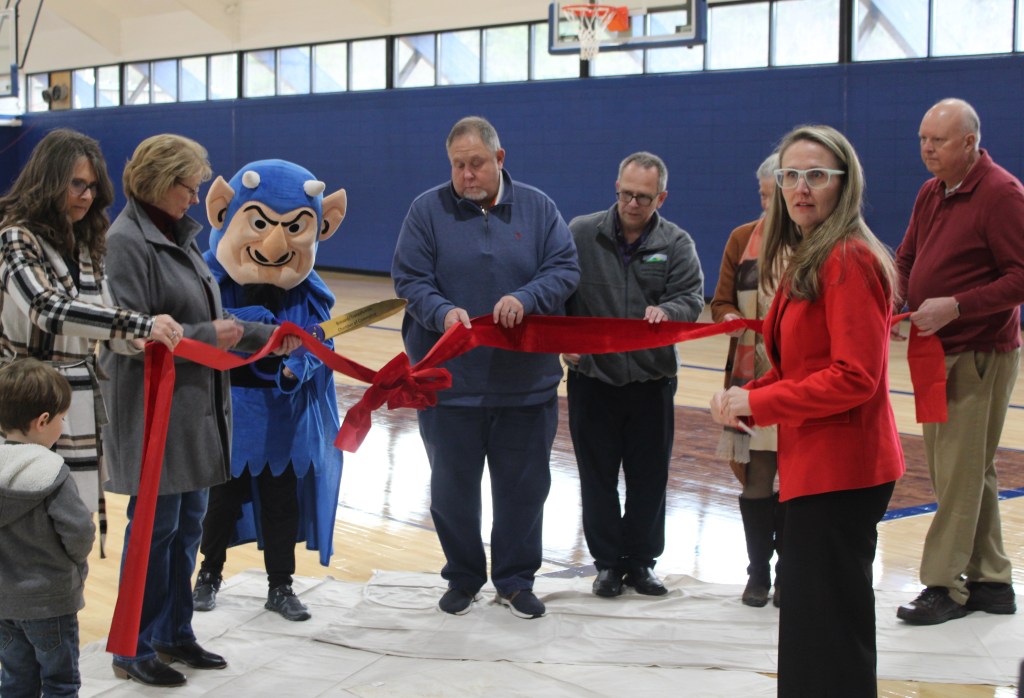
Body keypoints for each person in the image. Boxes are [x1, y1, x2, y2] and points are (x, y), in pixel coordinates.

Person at [711, 124, 904, 696]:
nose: (800, 187)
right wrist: (749, 396)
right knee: (811, 620)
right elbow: (801, 362)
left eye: (816, 175)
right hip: (815, 464)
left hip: (842, 469)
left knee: (829, 626)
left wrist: (760, 400)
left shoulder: (847, 259)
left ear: (844, 184)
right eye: (790, 175)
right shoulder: (811, 252)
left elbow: (855, 377)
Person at [100, 134, 292, 687]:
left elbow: (215, 321)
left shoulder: (178, 236)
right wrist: (212, 334)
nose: (194, 197)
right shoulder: (125, 243)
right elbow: (132, 333)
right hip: (155, 416)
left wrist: (269, 337)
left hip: (194, 414)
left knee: (186, 530)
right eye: (188, 187)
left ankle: (172, 632)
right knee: (154, 533)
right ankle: (133, 645)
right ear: (160, 183)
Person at [392, 115, 579, 619]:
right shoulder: (425, 211)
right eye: (458, 166)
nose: (467, 174)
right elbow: (409, 278)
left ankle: (515, 581)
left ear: (500, 158)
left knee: (524, 490)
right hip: (449, 386)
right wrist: (441, 313)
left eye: (476, 163)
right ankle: (463, 576)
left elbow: (564, 268)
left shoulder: (539, 208)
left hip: (526, 386)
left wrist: (527, 297)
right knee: (451, 492)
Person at [0, 128, 182, 532]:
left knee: (74, 519)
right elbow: (47, 309)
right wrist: (142, 323)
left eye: (93, 187)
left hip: (77, 397)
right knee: (24, 522)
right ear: (47, 182)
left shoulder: (85, 244)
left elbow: (102, 314)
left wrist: (134, 340)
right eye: (76, 184)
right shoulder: (15, 237)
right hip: (21, 398)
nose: (86, 196)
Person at [193, 159, 348, 622]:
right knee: (220, 500)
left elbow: (322, 342)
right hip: (230, 410)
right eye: (260, 224)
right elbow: (203, 332)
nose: (275, 242)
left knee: (282, 502)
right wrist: (255, 327)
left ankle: (280, 585)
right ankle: (208, 574)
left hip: (284, 415)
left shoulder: (308, 292)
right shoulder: (210, 281)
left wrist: (297, 367)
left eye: (293, 227)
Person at [895, 98, 1024, 625]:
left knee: (958, 473)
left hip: (979, 352)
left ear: (970, 142)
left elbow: (1020, 277)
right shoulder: (932, 191)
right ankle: (992, 581)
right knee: (968, 469)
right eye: (923, 139)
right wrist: (895, 298)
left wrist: (958, 306)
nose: (927, 149)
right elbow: (907, 257)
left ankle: (943, 584)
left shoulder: (1001, 194)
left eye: (938, 140)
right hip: (936, 350)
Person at [562, 151, 703, 598]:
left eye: (644, 197)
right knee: (597, 478)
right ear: (616, 189)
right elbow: (558, 287)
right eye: (626, 194)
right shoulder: (581, 233)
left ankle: (641, 563)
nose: (633, 204)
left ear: (661, 197)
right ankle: (607, 564)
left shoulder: (677, 243)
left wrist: (669, 310)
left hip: (651, 382)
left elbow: (692, 298)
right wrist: (564, 341)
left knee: (649, 479)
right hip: (593, 381)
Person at [710, 151, 785, 608]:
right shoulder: (742, 238)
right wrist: (729, 317)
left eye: (775, 197)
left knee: (797, 483)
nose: (767, 205)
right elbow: (719, 301)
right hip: (749, 380)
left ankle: (792, 569)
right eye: (763, 196)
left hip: (796, 383)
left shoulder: (816, 244)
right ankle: (758, 572)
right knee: (756, 481)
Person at [0, 359, 95, 698]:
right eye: (62, 418)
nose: (63, 424)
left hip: (4, 601)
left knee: (15, 680)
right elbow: (79, 532)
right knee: (60, 683)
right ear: (43, 421)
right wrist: (74, 563)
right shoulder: (52, 472)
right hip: (50, 602)